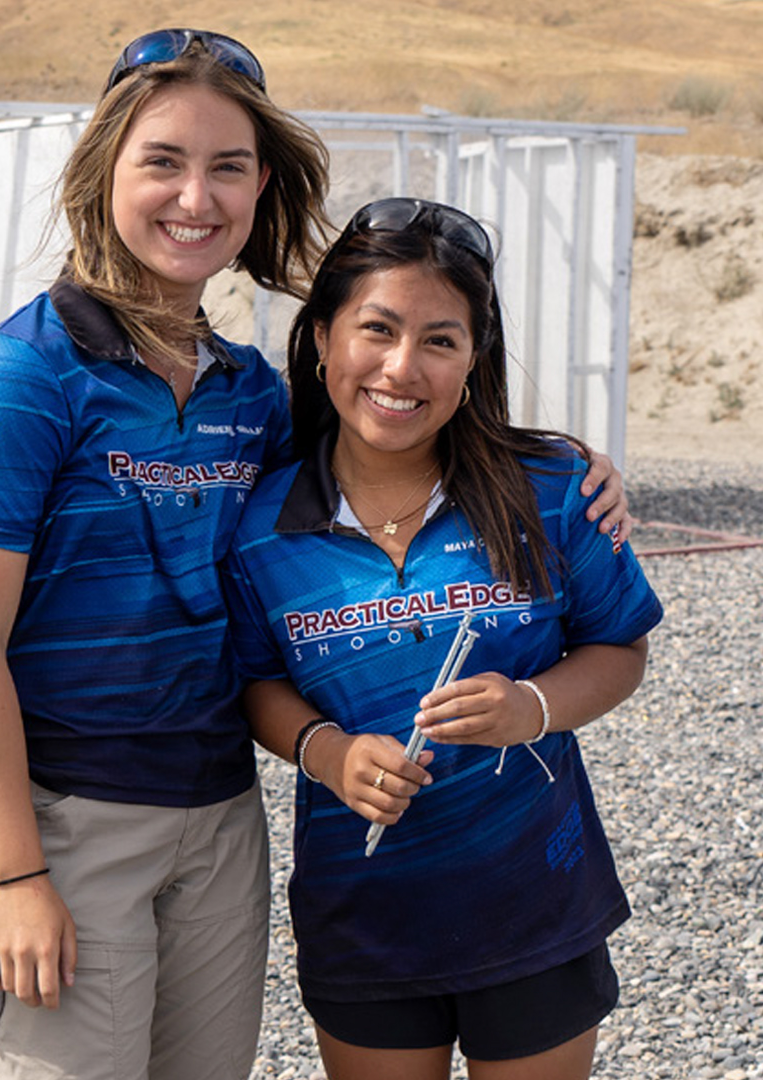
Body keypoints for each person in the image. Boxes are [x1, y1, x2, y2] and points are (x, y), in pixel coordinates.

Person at [0, 30, 629, 1079]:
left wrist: (569, 459)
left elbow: (389, 427)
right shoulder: (20, 382)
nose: (195, 196)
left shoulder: (251, 392)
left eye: (229, 167)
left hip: (221, 820)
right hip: (73, 820)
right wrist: (19, 876)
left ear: (264, 190)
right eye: (162, 160)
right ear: (102, 169)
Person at [222, 197, 663, 1078]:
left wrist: (532, 706)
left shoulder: (553, 490)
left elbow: (621, 649)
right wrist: (328, 752)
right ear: (321, 339)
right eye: (376, 329)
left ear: (474, 358)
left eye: (440, 339)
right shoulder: (257, 523)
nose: (401, 367)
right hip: (365, 914)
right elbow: (257, 683)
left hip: (534, 900)